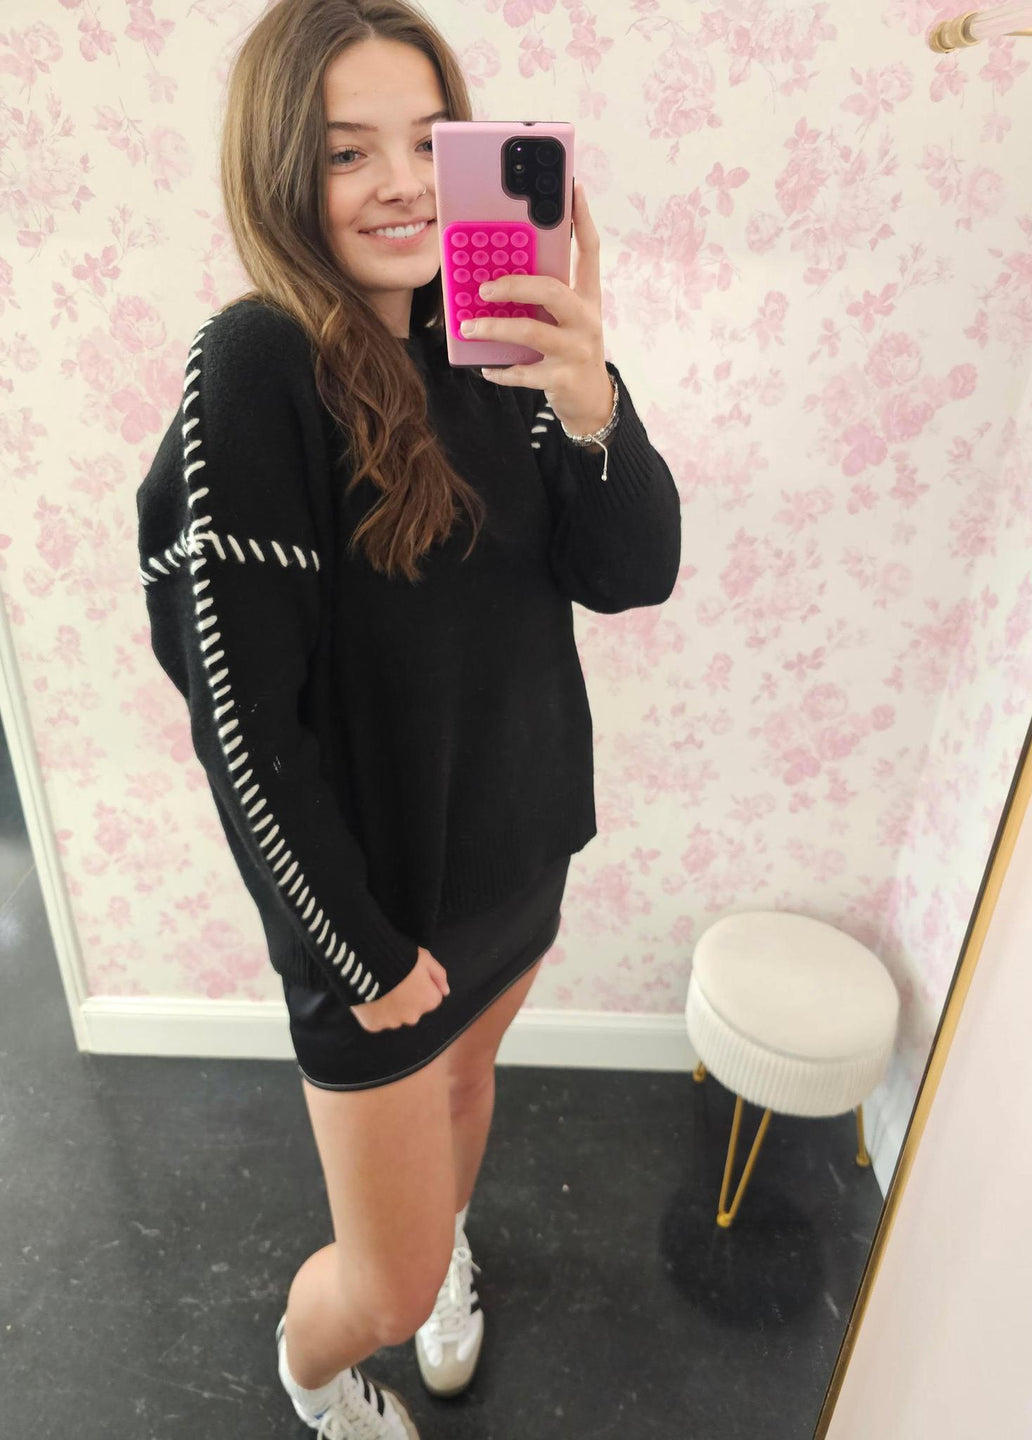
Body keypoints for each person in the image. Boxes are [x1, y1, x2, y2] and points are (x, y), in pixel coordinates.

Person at [134, 0, 681, 1435]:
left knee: (468, 1087)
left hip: (517, 854)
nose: (400, 184)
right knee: (381, 1288)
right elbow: (240, 716)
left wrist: (591, 396)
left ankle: (446, 1249)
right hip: (374, 920)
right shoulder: (256, 368)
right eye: (345, 151)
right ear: (279, 172)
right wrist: (356, 950)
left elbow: (632, 574)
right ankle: (316, 1377)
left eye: (432, 144)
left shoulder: (497, 341)